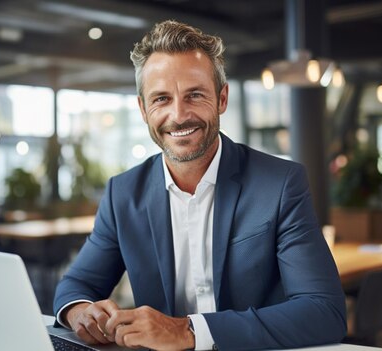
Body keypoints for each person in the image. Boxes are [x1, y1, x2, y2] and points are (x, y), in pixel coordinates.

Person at [53, 20, 347, 350]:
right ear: (143, 109)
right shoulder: (122, 193)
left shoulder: (280, 184)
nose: (179, 115)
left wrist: (188, 331)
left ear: (222, 98)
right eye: (161, 99)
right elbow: (76, 285)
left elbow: (325, 311)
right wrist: (79, 312)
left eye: (194, 95)